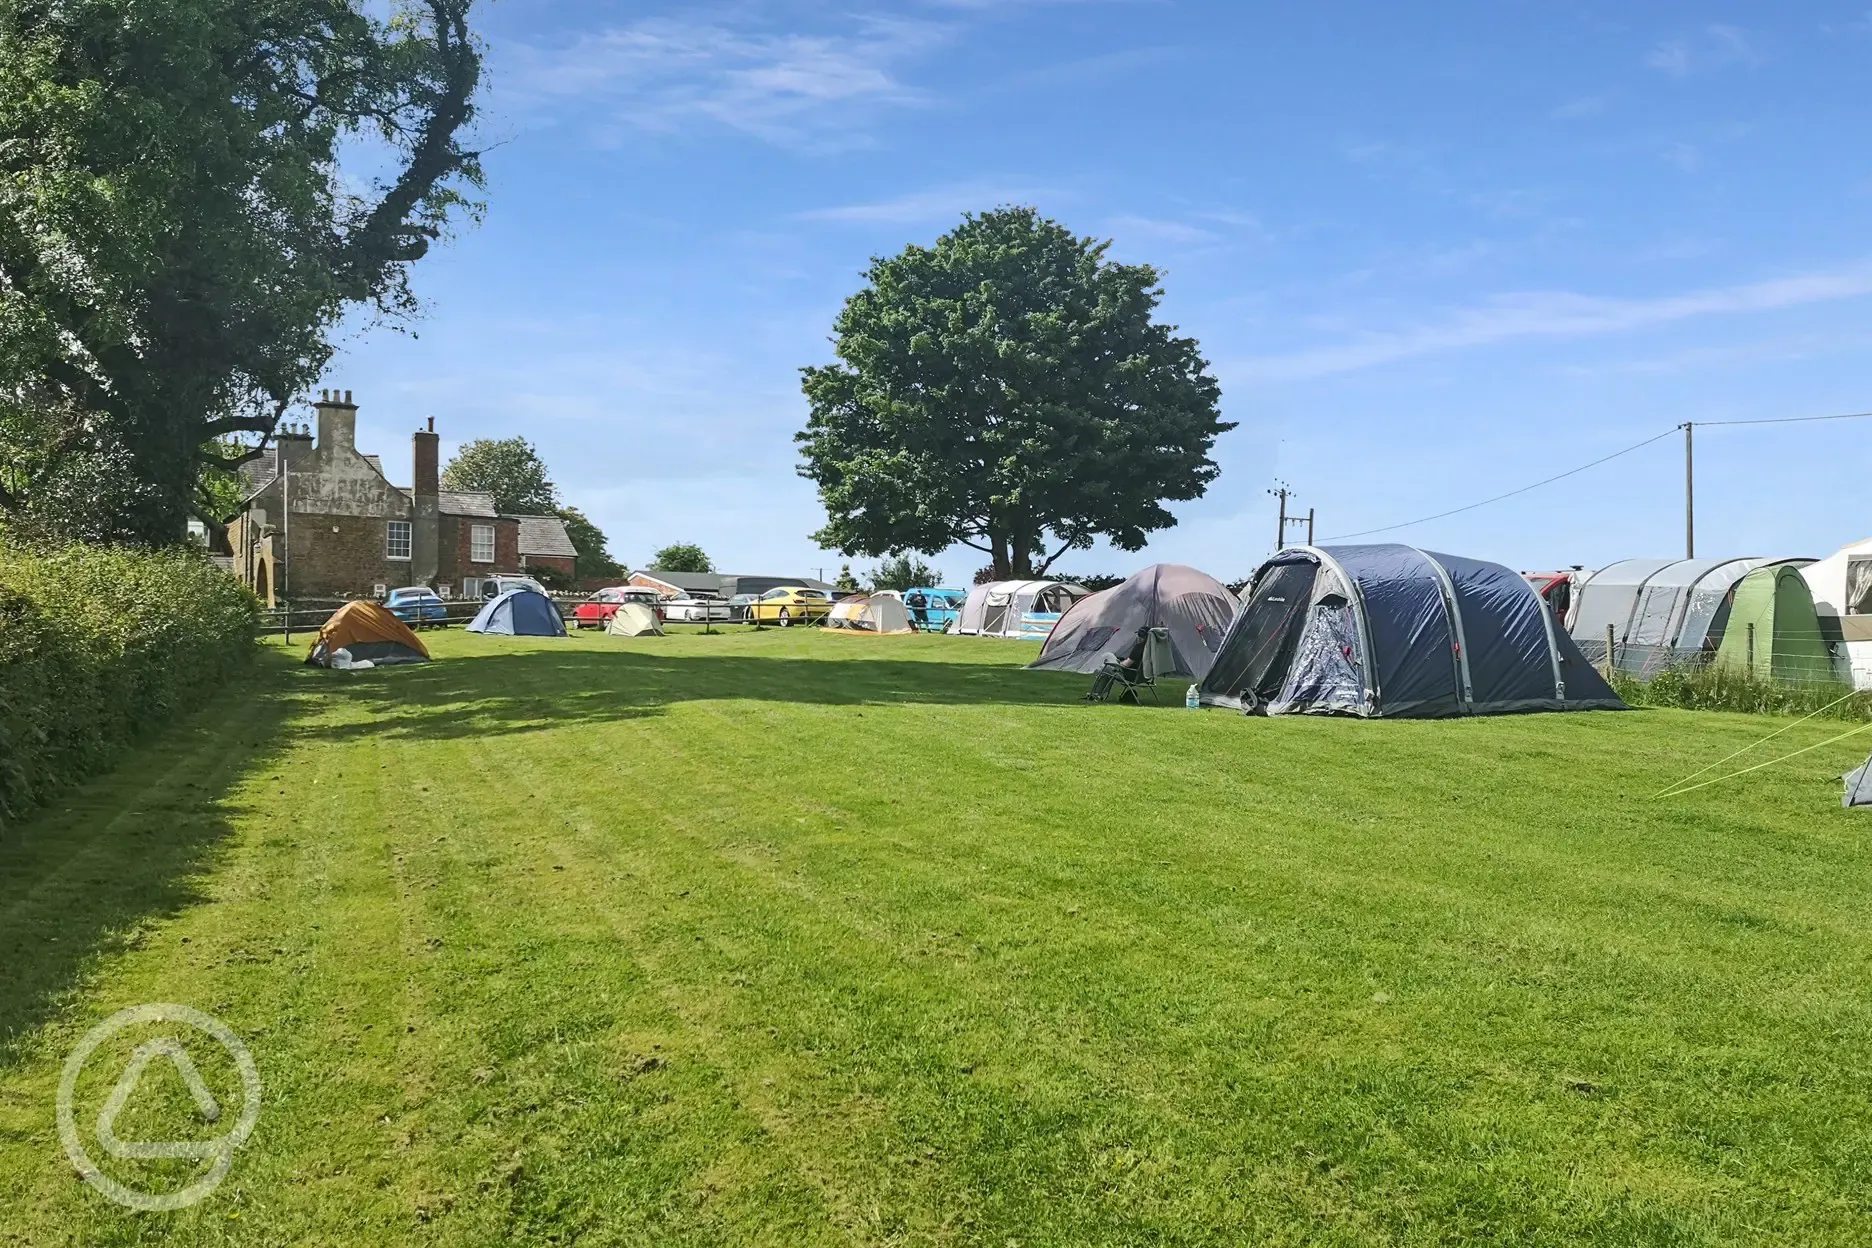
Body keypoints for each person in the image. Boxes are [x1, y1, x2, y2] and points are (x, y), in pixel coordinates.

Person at [1085, 626, 1152, 702]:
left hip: (1131, 675)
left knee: (1106, 663)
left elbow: (1126, 665)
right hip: (1144, 676)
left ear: (1140, 635)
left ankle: (1096, 693)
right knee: (1106, 664)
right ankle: (1097, 693)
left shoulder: (1139, 647)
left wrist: (1119, 663)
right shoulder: (1152, 650)